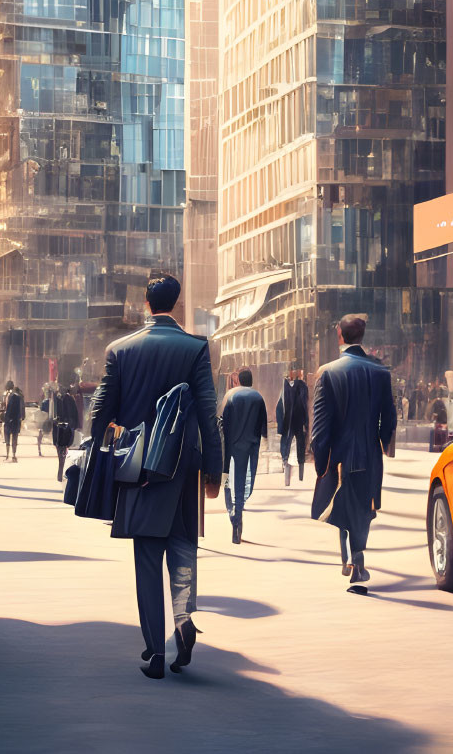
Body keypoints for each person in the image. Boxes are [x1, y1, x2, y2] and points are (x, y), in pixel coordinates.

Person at [86, 274, 221, 680]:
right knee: (182, 545)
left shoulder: (119, 351)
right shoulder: (196, 348)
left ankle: (155, 652)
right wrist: (214, 469)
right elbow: (209, 416)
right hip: (184, 468)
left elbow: (97, 418)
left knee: (147, 558)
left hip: (140, 470)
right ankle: (183, 619)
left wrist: (109, 449)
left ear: (146, 304)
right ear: (176, 305)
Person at [310, 314, 396, 593]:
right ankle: (356, 555)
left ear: (339, 334)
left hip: (339, 454)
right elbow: (390, 418)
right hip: (369, 453)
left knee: (341, 502)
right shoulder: (381, 372)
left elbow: (321, 425)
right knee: (362, 507)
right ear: (362, 336)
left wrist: (320, 460)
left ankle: (350, 558)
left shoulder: (328, 372)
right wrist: (380, 443)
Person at [219, 368, 268, 543]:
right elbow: (263, 426)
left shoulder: (231, 396)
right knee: (245, 484)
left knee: (228, 481)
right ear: (251, 380)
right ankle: (238, 513)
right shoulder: (258, 398)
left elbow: (223, 422)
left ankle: (233, 515)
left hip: (232, 447)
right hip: (251, 446)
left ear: (238, 380)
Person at [275, 367, 310, 487]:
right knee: (293, 447)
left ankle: (293, 476)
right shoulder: (299, 387)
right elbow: (305, 405)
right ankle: (296, 475)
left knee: (289, 448)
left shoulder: (287, 387)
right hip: (293, 422)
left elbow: (279, 407)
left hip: (290, 422)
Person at [52, 382, 80, 481]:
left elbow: (74, 414)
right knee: (61, 449)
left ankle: (60, 471)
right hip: (62, 428)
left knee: (61, 449)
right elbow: (74, 414)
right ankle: (60, 471)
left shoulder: (59, 399)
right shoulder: (60, 399)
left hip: (62, 428)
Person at [1, 381, 24, 462]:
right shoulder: (17, 396)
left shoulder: (11, 396)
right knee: (14, 438)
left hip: (10, 420)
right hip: (15, 420)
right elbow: (20, 409)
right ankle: (12, 456)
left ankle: (9, 456)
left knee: (8, 439)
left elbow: (11, 409)